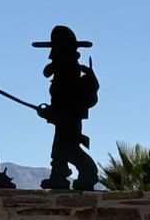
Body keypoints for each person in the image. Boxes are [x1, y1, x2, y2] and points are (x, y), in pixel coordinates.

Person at [32, 25, 100, 190]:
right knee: (60, 150)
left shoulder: (70, 71)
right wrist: (50, 111)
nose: (51, 55)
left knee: (68, 149)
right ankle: (59, 176)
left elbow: (69, 100)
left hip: (69, 118)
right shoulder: (63, 70)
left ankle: (88, 173)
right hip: (64, 117)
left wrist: (53, 112)